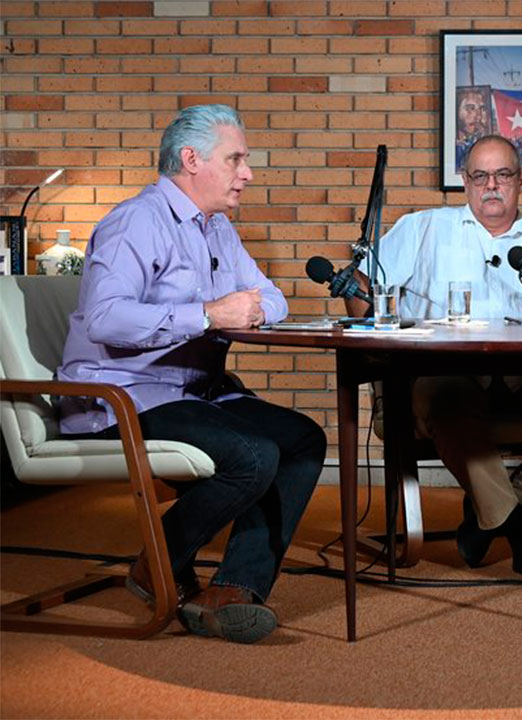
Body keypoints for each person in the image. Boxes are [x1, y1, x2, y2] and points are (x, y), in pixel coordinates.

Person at [57, 104, 327, 644]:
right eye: (236, 159)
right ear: (191, 159)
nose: (247, 173)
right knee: (253, 455)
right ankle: (154, 561)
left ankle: (232, 590)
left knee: (302, 439)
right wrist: (206, 314)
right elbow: (108, 317)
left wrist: (244, 309)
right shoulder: (135, 222)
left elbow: (269, 298)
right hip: (123, 395)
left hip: (192, 391)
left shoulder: (218, 229)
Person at [345, 135, 522, 577]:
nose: (491, 185)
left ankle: (491, 514)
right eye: (480, 176)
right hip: (439, 377)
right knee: (451, 401)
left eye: (503, 175)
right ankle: (516, 528)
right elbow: (360, 280)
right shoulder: (423, 228)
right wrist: (374, 347)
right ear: (465, 182)